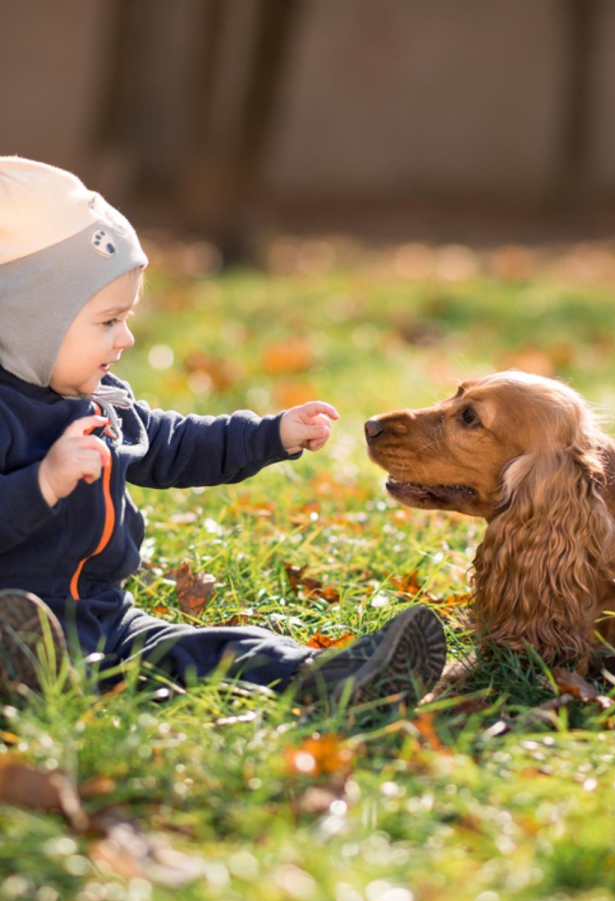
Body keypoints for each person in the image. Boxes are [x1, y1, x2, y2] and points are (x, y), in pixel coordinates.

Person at [0, 156, 447, 707]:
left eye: (127, 319)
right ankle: (26, 671)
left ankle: (327, 676)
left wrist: (271, 435)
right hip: (18, 612)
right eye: (107, 322)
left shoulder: (101, 400)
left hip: (103, 617)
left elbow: (172, 444)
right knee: (34, 646)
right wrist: (43, 482)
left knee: (208, 652)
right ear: (28, 324)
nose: (126, 340)